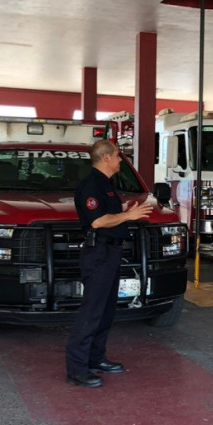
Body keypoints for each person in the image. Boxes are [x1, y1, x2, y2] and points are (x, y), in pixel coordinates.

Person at [66, 140, 152, 388]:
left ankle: (96, 359)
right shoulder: (91, 185)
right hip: (98, 254)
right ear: (105, 158)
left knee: (106, 311)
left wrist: (124, 209)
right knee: (92, 312)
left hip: (111, 253)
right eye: (117, 155)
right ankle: (77, 369)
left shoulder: (107, 185)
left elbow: (108, 213)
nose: (120, 160)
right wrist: (128, 216)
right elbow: (97, 222)